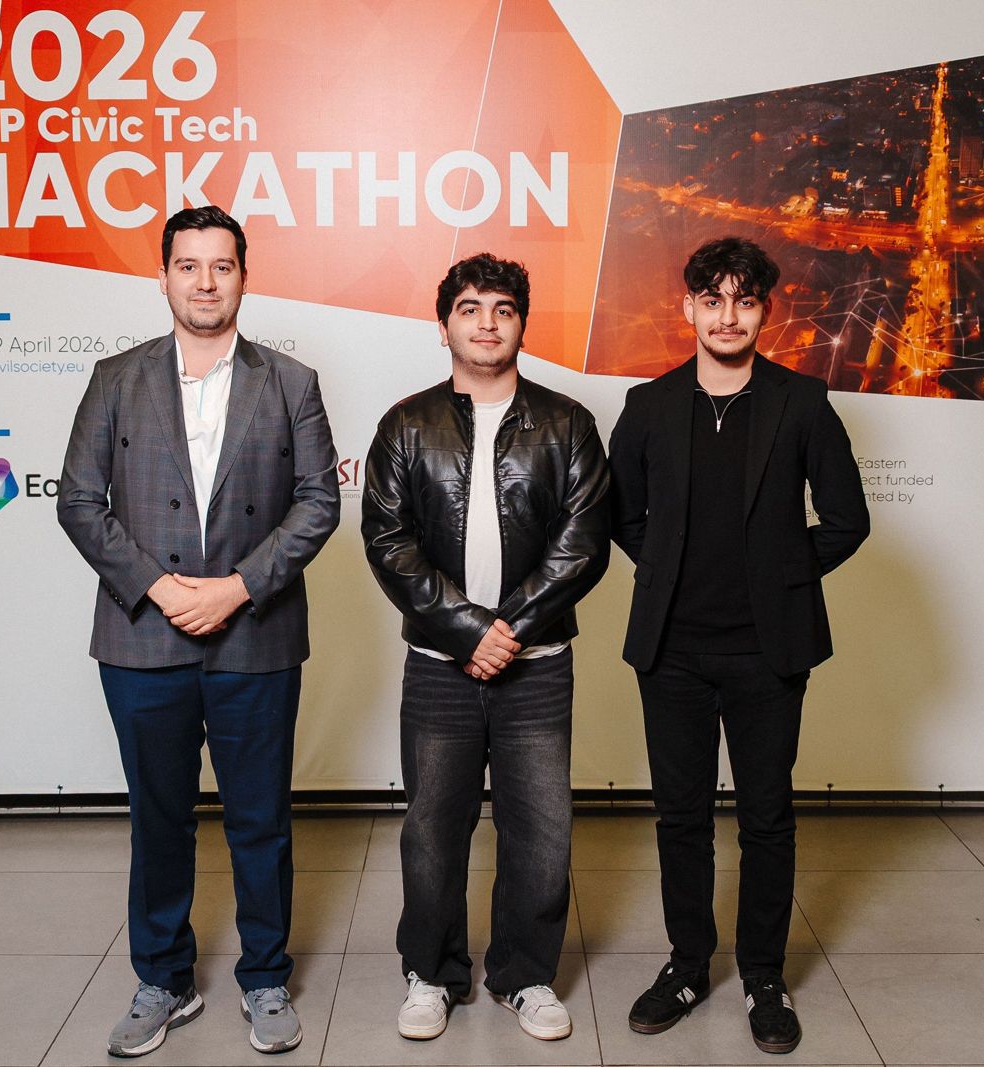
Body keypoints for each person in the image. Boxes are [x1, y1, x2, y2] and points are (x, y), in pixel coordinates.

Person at [57, 206, 339, 1057]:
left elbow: (319, 501)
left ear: (244, 277)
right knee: (158, 818)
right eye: (188, 265)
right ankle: (163, 978)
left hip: (255, 637)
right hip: (143, 640)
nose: (205, 282)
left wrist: (237, 589)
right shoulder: (115, 378)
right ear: (163, 277)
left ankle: (265, 978)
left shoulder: (290, 382)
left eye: (222, 266)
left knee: (260, 817)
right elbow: (79, 500)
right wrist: (159, 587)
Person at [608, 237, 869, 1054]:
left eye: (744, 300)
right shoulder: (649, 404)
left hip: (768, 651)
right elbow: (622, 515)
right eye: (713, 299)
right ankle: (688, 964)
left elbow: (847, 519)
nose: (728, 315)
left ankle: (763, 973)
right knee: (680, 817)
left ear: (765, 311)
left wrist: (780, 576)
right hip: (673, 652)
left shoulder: (802, 402)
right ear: (687, 307)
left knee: (766, 817)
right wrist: (669, 571)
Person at [361, 253, 610, 1043]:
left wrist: (511, 632)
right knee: (433, 829)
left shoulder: (568, 423)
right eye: (469, 308)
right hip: (441, 666)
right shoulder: (406, 425)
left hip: (537, 668)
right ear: (444, 326)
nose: (486, 323)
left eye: (502, 308)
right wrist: (468, 632)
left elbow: (583, 545)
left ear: (521, 324)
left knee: (541, 830)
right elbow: (388, 541)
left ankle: (524, 974)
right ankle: (431, 973)